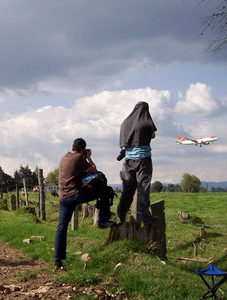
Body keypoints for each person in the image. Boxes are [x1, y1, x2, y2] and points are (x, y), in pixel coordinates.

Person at [54, 138, 115, 270]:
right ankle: (103, 221)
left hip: (63, 198)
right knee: (105, 191)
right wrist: (88, 157)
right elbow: (94, 169)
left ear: (72, 146)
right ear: (83, 149)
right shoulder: (79, 158)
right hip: (75, 195)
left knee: (61, 227)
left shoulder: (64, 157)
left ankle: (57, 261)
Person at [116, 101, 158, 227]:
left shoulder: (125, 122)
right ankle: (146, 218)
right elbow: (153, 135)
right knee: (143, 189)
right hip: (143, 160)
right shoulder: (146, 123)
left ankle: (120, 216)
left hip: (128, 161)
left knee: (127, 190)